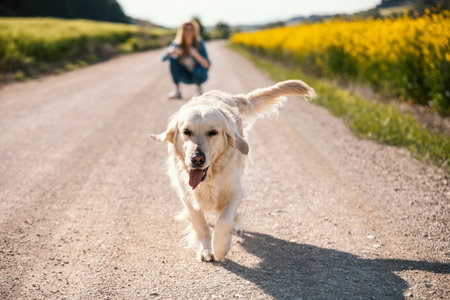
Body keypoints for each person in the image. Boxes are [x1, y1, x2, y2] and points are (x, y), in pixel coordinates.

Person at [162, 21, 210, 99]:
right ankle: (177, 91)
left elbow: (207, 65)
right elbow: (163, 59)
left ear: (195, 31)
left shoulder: (199, 43)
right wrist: (171, 51)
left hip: (199, 76)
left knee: (200, 68)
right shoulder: (176, 43)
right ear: (181, 31)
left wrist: (196, 55)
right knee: (173, 58)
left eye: (191, 29)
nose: (188, 32)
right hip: (184, 76)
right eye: (185, 29)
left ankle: (199, 89)